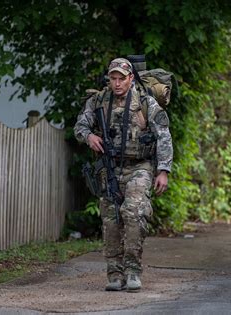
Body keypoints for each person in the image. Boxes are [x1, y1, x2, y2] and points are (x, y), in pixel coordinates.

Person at [74, 57, 173, 291]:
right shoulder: (98, 101)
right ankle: (115, 274)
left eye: (121, 79)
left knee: (135, 213)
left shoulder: (146, 102)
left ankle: (133, 271)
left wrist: (164, 170)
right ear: (109, 79)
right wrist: (89, 137)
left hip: (139, 166)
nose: (117, 83)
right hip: (108, 168)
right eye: (113, 78)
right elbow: (80, 126)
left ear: (130, 79)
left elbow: (164, 136)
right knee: (110, 220)